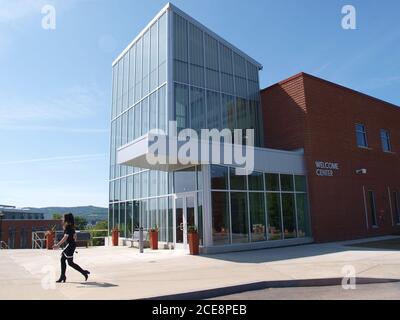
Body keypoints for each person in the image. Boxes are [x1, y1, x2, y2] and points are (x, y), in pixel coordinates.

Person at [53, 213, 90, 283]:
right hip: (70, 245)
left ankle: (83, 272)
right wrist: (73, 242)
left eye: (63, 218)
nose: (62, 219)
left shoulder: (68, 227)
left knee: (70, 263)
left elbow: (65, 237)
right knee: (62, 259)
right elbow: (75, 236)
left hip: (70, 246)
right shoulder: (71, 226)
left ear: (66, 219)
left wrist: (57, 245)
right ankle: (62, 276)